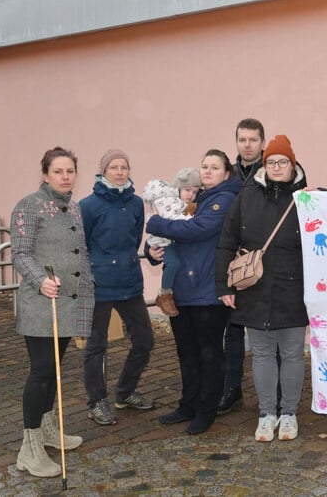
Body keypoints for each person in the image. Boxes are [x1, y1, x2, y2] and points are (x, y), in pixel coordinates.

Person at [216, 135, 308, 442]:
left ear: (292, 164)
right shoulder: (247, 194)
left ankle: (290, 413)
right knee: (262, 353)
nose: (277, 167)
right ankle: (267, 414)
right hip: (254, 286)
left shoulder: (307, 197)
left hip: (294, 287)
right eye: (271, 162)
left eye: (283, 162)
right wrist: (223, 285)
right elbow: (227, 239)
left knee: (293, 353)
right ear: (264, 165)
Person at [10, 146, 94, 478]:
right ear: (45, 174)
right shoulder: (29, 205)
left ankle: (47, 429)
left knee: (56, 370)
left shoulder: (73, 208)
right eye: (58, 171)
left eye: (70, 171)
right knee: (41, 372)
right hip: (40, 302)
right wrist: (40, 279)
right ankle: (28, 449)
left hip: (67, 303)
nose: (65, 177)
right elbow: (20, 252)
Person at [145, 149, 241, 435]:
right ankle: (188, 404)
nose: (208, 171)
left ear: (226, 173)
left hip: (209, 290)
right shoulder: (191, 198)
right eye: (204, 166)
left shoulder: (224, 200)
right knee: (186, 351)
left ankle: (206, 410)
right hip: (181, 290)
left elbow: (196, 230)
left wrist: (154, 222)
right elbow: (171, 241)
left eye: (214, 167)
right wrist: (152, 252)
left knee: (209, 353)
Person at [79, 150, 156, 426]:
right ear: (103, 171)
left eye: (124, 166)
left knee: (145, 339)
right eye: (114, 167)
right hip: (99, 284)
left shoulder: (136, 203)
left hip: (130, 281)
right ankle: (97, 401)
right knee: (97, 345)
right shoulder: (88, 205)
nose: (120, 171)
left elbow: (135, 237)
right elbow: (82, 244)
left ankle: (124, 392)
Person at [219, 118, 266, 415]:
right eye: (242, 139)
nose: (247, 145)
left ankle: (271, 393)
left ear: (262, 141)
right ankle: (231, 388)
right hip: (235, 263)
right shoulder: (228, 175)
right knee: (232, 330)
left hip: (264, 263)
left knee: (267, 331)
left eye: (252, 139)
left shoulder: (275, 168)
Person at [142, 168, 201, 317]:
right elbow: (174, 219)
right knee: (174, 263)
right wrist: (149, 252)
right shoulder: (169, 202)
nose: (191, 195)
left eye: (195, 192)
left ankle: (165, 294)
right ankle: (164, 293)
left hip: (193, 280)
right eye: (187, 190)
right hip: (163, 243)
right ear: (177, 189)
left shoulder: (184, 204)